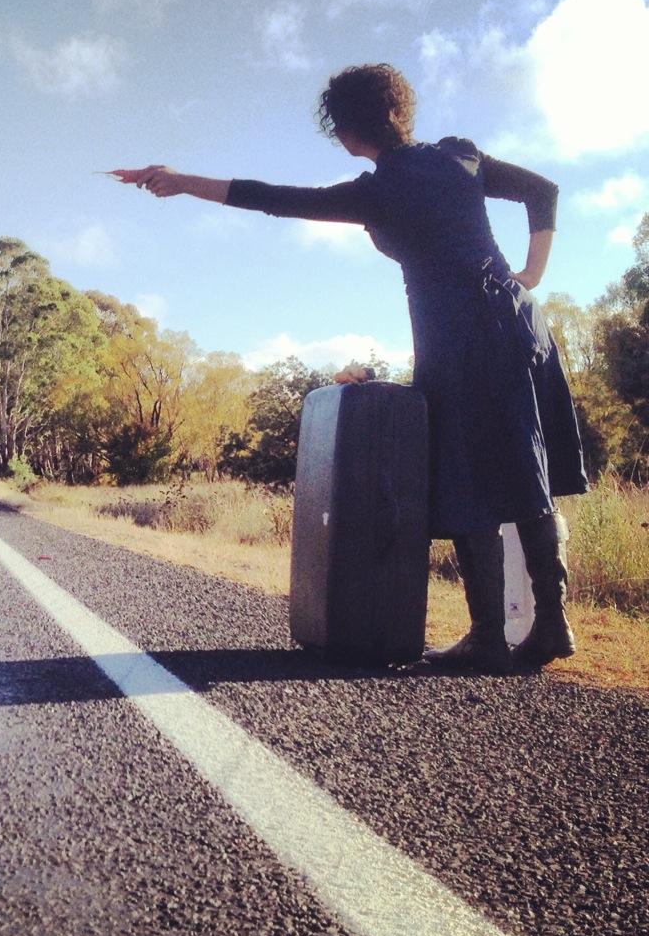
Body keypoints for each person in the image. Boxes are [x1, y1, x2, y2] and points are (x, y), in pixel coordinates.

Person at [119, 63, 587, 674]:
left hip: (457, 333)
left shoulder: (375, 190)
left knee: (464, 474)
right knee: (527, 468)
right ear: (401, 109)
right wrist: (530, 277)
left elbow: (271, 199)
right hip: (521, 322)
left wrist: (182, 182)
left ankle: (488, 636)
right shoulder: (460, 156)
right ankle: (550, 626)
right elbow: (543, 190)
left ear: (345, 132)